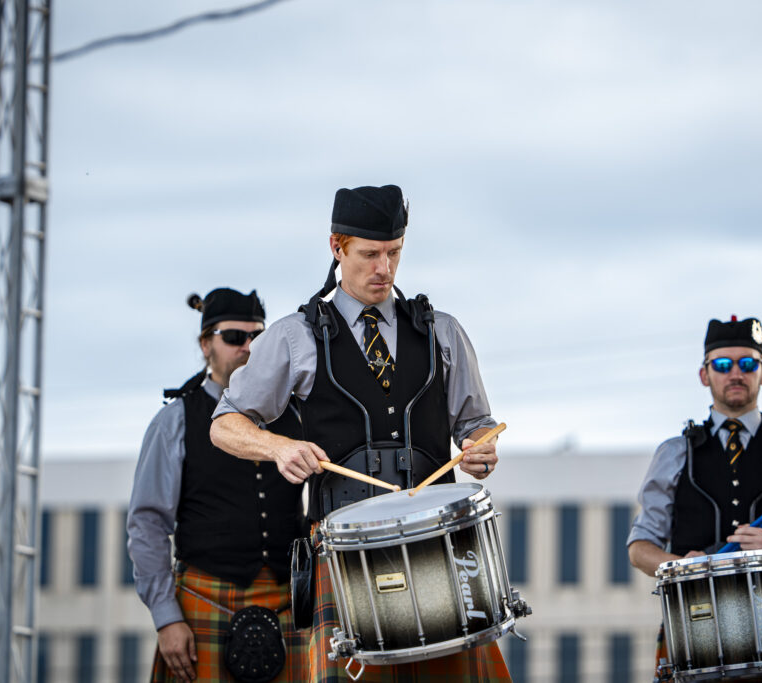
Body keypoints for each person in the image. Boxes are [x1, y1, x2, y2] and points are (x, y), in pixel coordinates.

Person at [210, 184, 511, 681]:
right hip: (344, 554)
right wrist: (278, 446)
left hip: (440, 549)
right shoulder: (295, 335)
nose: (384, 269)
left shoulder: (444, 332)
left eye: (394, 253)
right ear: (337, 247)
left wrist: (481, 446)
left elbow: (476, 424)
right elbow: (225, 424)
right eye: (370, 254)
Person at [629, 316, 762, 678]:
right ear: (704, 374)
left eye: (748, 364)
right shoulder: (674, 453)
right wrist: (682, 568)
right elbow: (639, 549)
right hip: (695, 629)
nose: (735, 373)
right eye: (723, 365)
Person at [127, 288, 308, 682]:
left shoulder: (297, 414)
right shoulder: (175, 420)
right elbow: (148, 524)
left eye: (257, 337)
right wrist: (165, 619)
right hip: (203, 602)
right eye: (233, 337)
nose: (247, 347)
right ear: (206, 343)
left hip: (290, 606)